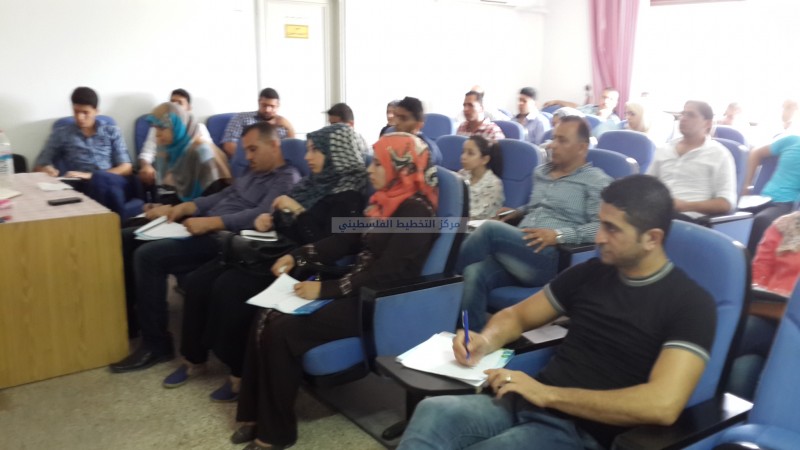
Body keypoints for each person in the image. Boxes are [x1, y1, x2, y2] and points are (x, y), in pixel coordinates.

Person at [398, 175, 716, 450]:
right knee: (433, 412)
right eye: (600, 223)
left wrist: (548, 395)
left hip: (582, 432)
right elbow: (518, 316)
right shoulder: (592, 273)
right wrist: (484, 340)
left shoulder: (691, 304)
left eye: (612, 229)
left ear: (652, 239)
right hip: (527, 403)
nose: (599, 237)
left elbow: (663, 404)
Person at [231, 132, 439, 449]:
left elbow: (388, 273)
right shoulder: (385, 201)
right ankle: (253, 414)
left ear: (401, 167)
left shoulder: (417, 212)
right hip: (356, 285)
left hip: (379, 301)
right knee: (266, 313)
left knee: (282, 330)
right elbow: (345, 239)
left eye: (378, 164)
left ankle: (275, 434)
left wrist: (324, 290)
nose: (369, 170)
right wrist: (298, 256)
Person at [162, 124, 368, 399]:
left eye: (316, 151)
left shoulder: (349, 196)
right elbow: (285, 217)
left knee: (230, 287)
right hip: (276, 248)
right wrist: (269, 220)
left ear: (336, 154)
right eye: (308, 149)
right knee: (200, 280)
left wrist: (297, 212)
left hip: (306, 264)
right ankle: (194, 358)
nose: (307, 157)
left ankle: (240, 372)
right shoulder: (313, 183)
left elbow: (326, 241)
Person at [109, 122, 301, 373]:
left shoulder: (287, 178)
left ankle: (156, 344)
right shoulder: (253, 171)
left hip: (225, 238)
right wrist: (189, 207)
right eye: (246, 150)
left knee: (148, 256)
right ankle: (131, 321)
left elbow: (263, 215)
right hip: (202, 224)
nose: (248, 157)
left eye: (253, 149)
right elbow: (223, 195)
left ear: (274, 145)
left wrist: (213, 222)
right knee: (126, 237)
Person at [458, 116, 612, 331]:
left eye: (562, 140)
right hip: (520, 248)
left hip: (549, 256)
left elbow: (601, 227)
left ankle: (437, 284)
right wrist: (517, 212)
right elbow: (536, 207)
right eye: (554, 138)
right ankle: (469, 338)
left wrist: (558, 235)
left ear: (582, 148)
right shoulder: (542, 172)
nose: (553, 145)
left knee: (489, 230)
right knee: (474, 273)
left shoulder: (596, 181)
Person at [727, 211, 800, 401]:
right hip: (769, 316)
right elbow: (757, 278)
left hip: (790, 325)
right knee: (741, 370)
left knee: (745, 331)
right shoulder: (785, 226)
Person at [34, 87, 133, 212]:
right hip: (82, 185)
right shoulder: (62, 133)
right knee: (100, 188)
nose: (80, 117)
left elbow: (126, 168)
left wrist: (91, 176)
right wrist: (47, 169)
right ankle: (113, 221)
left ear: (96, 111)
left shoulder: (111, 131)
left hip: (111, 180)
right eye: (76, 112)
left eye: (85, 112)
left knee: (102, 181)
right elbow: (40, 165)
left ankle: (106, 220)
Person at [647, 100, 737, 218]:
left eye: (690, 115)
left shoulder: (719, 154)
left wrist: (685, 206)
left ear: (707, 123)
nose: (683, 118)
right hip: (656, 212)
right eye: (682, 114)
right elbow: (647, 185)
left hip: (688, 218)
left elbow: (726, 203)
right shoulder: (664, 149)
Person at [139, 102, 228, 205]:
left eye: (162, 128)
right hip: (172, 210)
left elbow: (213, 200)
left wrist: (171, 210)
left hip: (201, 211)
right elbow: (165, 194)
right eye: (155, 128)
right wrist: (157, 206)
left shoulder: (201, 152)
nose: (157, 134)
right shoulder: (165, 150)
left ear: (178, 126)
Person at [138, 89, 217, 188]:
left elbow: (210, 154)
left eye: (179, 103)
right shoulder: (157, 128)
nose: (174, 106)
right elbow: (147, 154)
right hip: (165, 179)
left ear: (188, 108)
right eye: (172, 102)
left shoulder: (199, 128)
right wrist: (146, 166)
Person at [742, 133, 800, 253]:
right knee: (730, 214)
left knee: (762, 220)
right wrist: (746, 186)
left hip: (786, 204)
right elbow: (756, 153)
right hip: (762, 198)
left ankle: (748, 262)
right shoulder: (792, 140)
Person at [221, 88, 296, 158]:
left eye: (272, 106)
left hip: (274, 163)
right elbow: (229, 145)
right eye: (264, 105)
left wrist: (289, 127)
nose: (267, 110)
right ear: (259, 102)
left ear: (278, 106)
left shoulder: (283, 123)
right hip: (246, 161)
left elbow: (291, 148)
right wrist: (252, 158)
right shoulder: (241, 118)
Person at [459, 135, 504, 220]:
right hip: (455, 222)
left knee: (432, 224)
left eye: (470, 153)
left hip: (474, 226)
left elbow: (479, 217)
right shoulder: (462, 174)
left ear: (485, 159)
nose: (463, 157)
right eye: (463, 152)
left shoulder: (493, 185)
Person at [392, 96, 443, 165]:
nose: (396, 122)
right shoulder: (389, 136)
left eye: (403, 118)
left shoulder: (428, 151)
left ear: (418, 125)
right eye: (396, 116)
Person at [544, 87, 621, 124]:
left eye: (611, 99)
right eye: (603, 97)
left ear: (615, 103)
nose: (606, 101)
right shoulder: (589, 108)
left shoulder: (614, 121)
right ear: (599, 98)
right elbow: (575, 107)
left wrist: (601, 118)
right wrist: (557, 101)